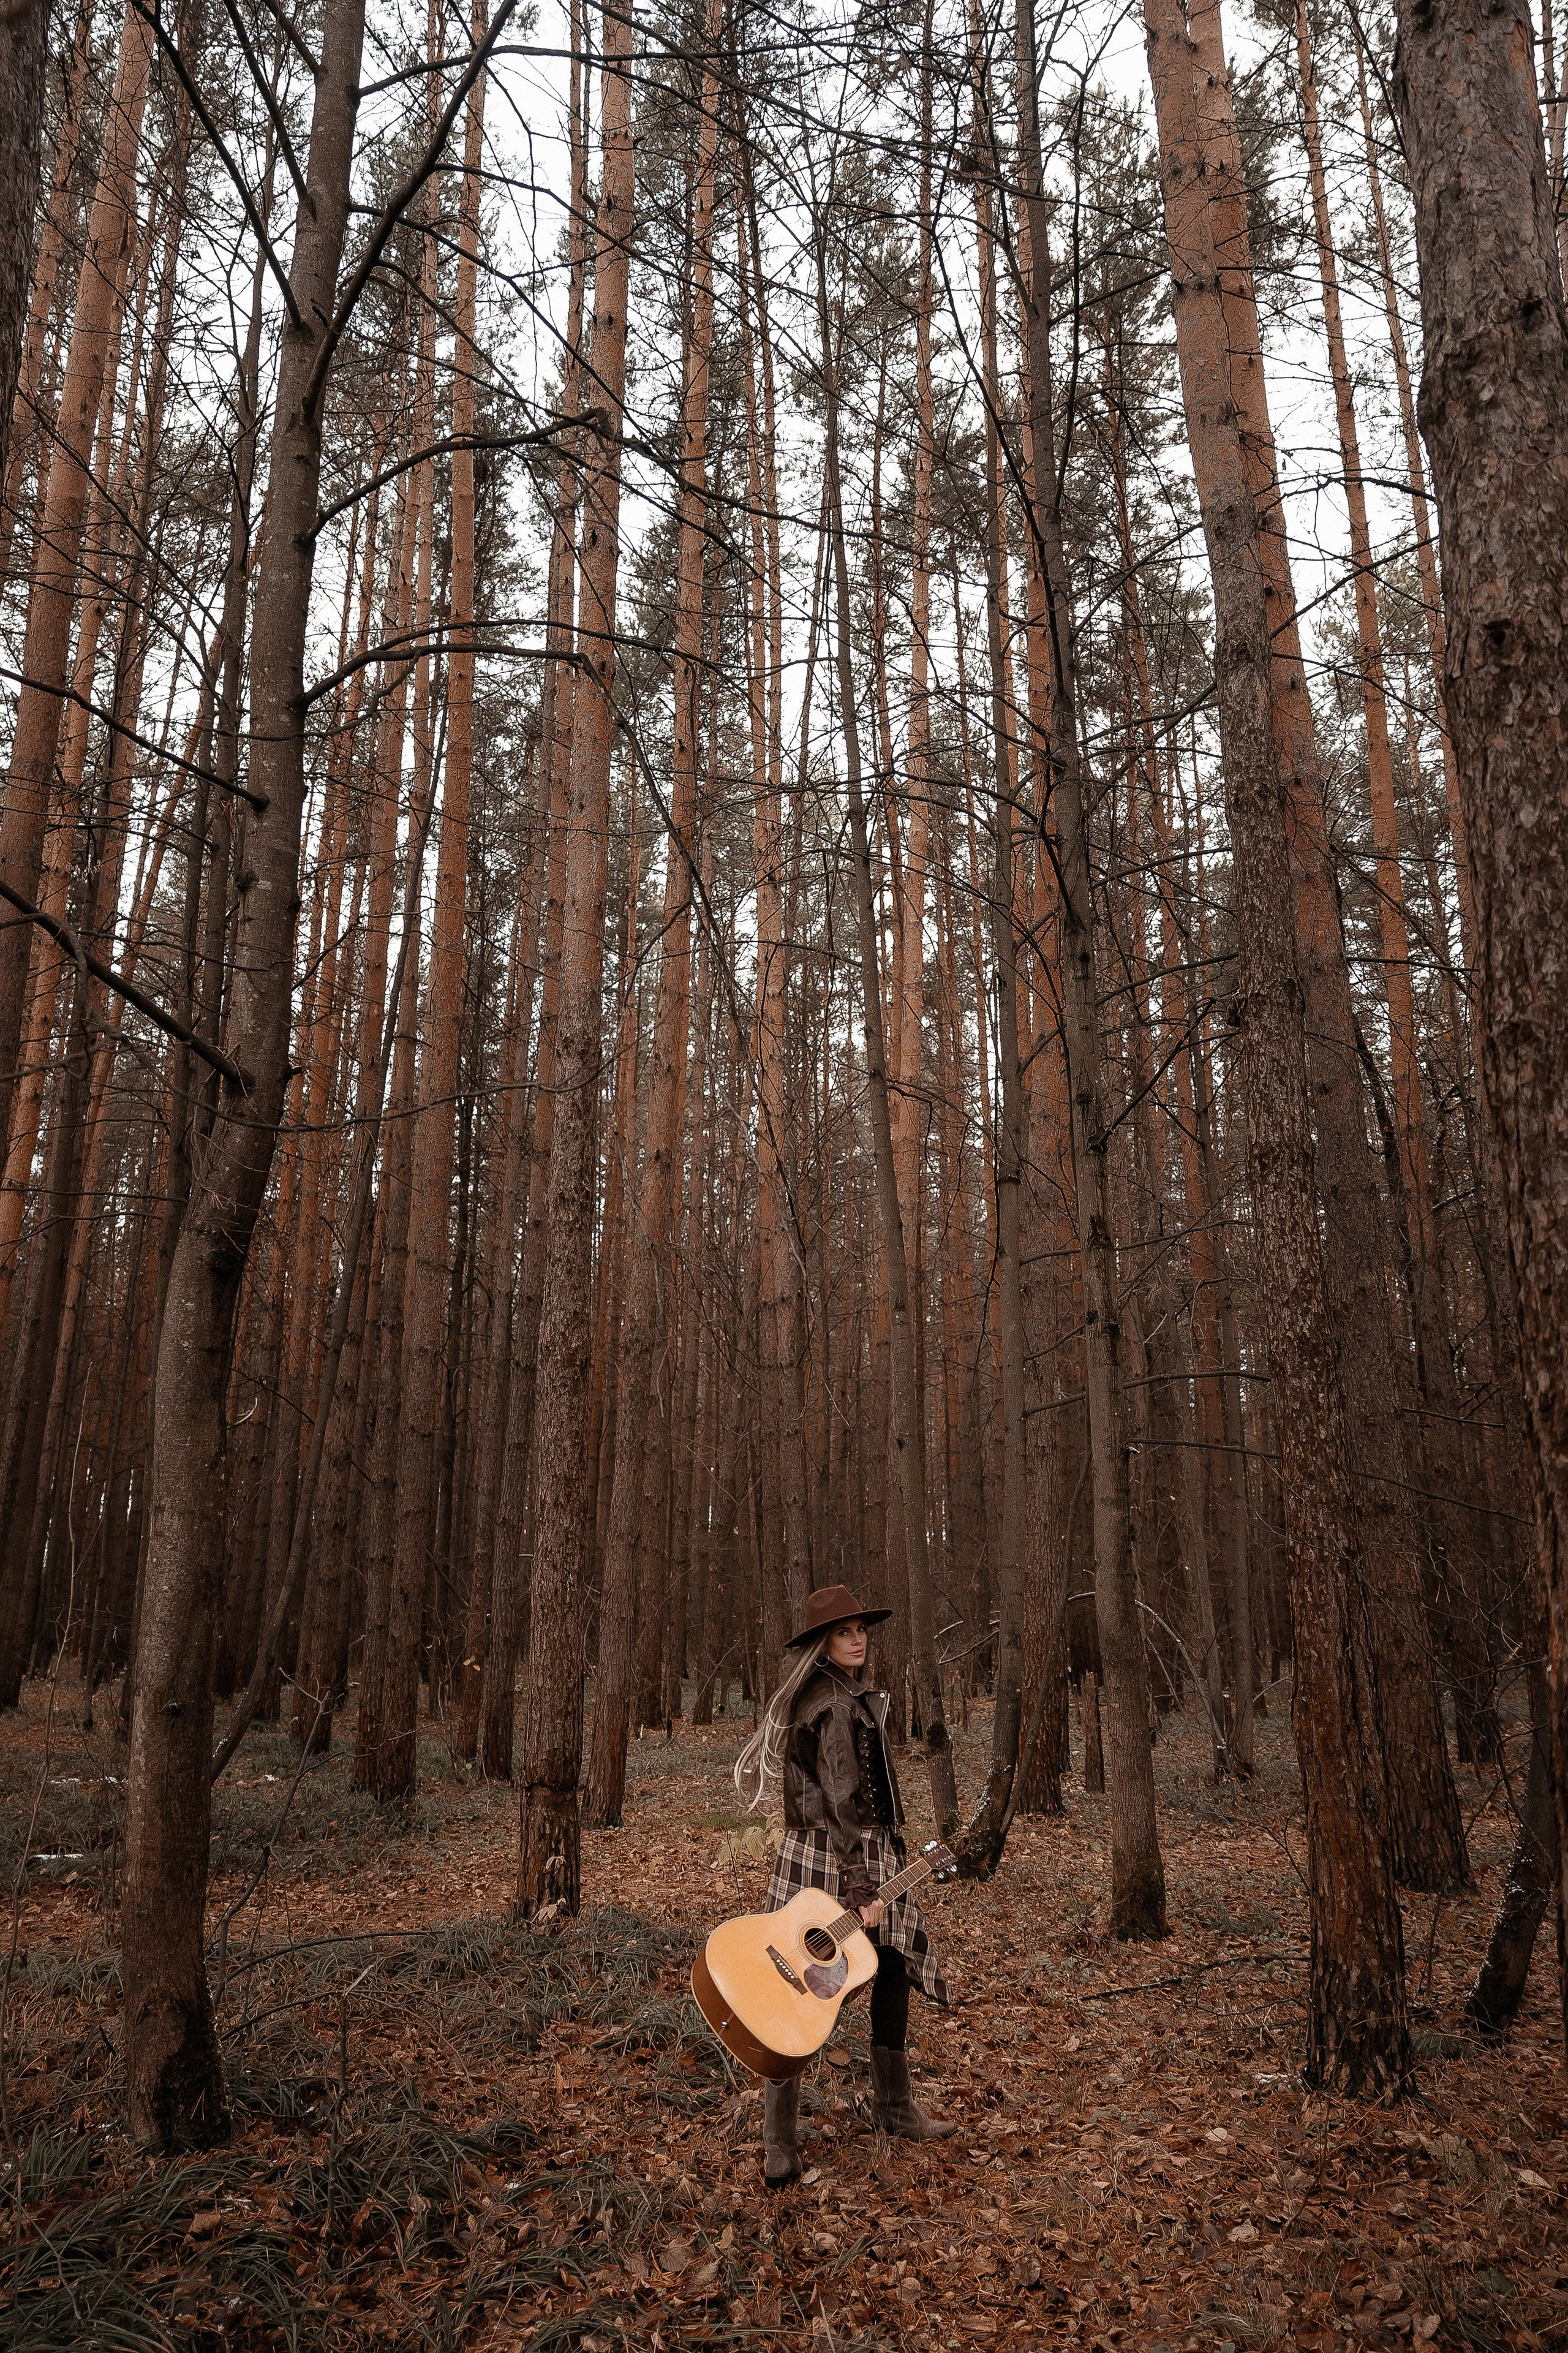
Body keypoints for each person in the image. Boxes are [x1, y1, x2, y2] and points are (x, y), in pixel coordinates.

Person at [733, 1582, 956, 2188]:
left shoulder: (837, 1693)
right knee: (797, 1990)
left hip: (847, 1847)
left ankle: (892, 2105)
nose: (857, 1639)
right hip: (836, 1853)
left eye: (861, 1629)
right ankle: (778, 2140)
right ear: (822, 1644)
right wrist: (860, 1886)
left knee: (889, 1965)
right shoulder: (830, 1702)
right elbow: (837, 1797)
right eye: (844, 1632)